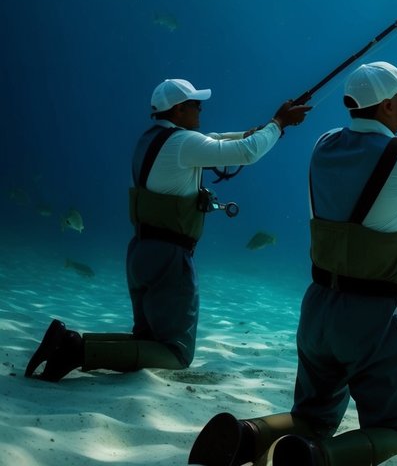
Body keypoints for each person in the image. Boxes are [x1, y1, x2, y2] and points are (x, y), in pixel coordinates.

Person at [188, 61, 397, 466]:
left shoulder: (324, 144)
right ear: (385, 107)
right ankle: (315, 459)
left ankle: (247, 434)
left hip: (319, 306)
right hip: (373, 315)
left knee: (312, 416)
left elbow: (378, 159)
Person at [24, 78, 309, 383]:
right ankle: (77, 351)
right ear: (177, 110)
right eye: (193, 104)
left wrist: (263, 128)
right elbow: (247, 152)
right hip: (169, 257)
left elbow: (218, 140)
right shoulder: (184, 144)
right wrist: (279, 123)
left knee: (148, 339)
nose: (200, 108)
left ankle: (67, 342)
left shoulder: (152, 139)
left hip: (140, 252)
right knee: (176, 352)